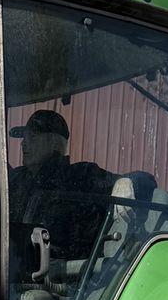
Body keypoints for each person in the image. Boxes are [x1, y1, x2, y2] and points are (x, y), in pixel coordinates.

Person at [7, 109, 114, 260]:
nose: (24, 143)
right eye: (23, 138)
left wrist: (125, 183)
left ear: (54, 143)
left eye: (32, 137)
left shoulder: (82, 175)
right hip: (11, 269)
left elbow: (142, 180)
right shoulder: (17, 178)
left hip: (60, 275)